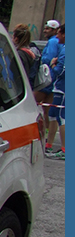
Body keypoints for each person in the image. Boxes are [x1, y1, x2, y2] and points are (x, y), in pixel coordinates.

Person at [43, 23, 65, 159]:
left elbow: (62, 70)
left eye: (58, 33)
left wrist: (53, 64)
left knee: (62, 118)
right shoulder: (63, 47)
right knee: (53, 115)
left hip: (63, 88)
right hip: (59, 87)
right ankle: (49, 145)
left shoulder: (66, 49)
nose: (57, 36)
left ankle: (65, 149)